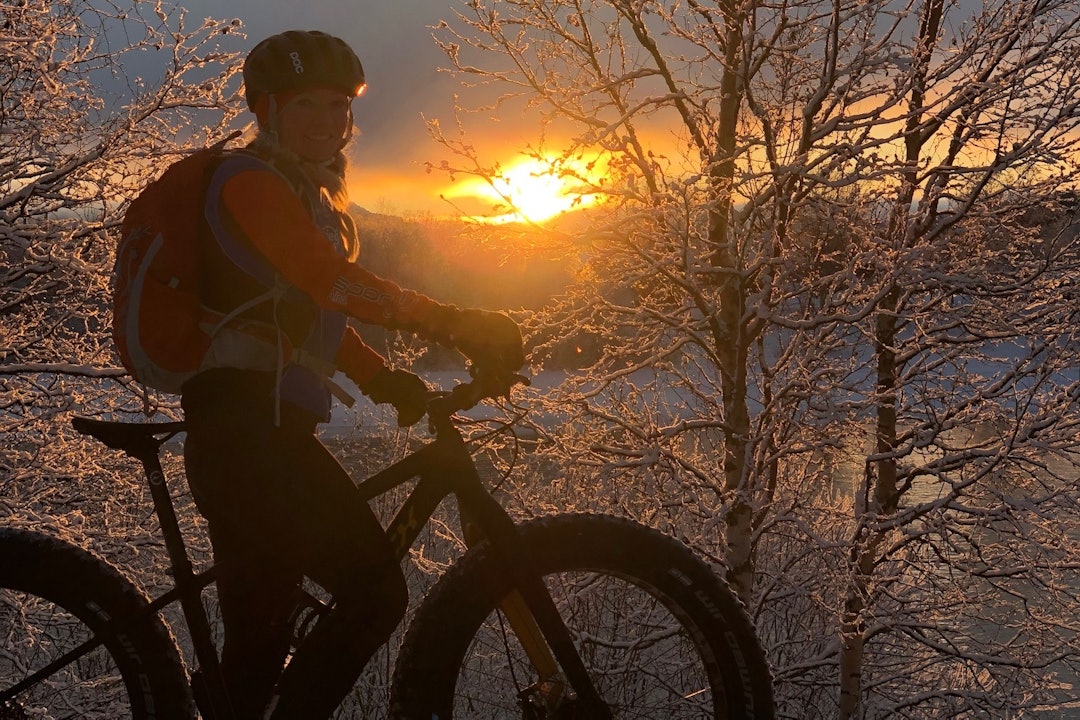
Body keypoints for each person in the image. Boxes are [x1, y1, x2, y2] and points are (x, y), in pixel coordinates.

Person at [180, 30, 525, 719]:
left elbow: (302, 320)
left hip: (261, 431)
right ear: (268, 109)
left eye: (340, 106)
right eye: (308, 104)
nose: (329, 121)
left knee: (257, 645)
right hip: (247, 436)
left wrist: (380, 379)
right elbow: (329, 283)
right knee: (372, 594)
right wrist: (452, 321)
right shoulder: (250, 184)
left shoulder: (301, 192)